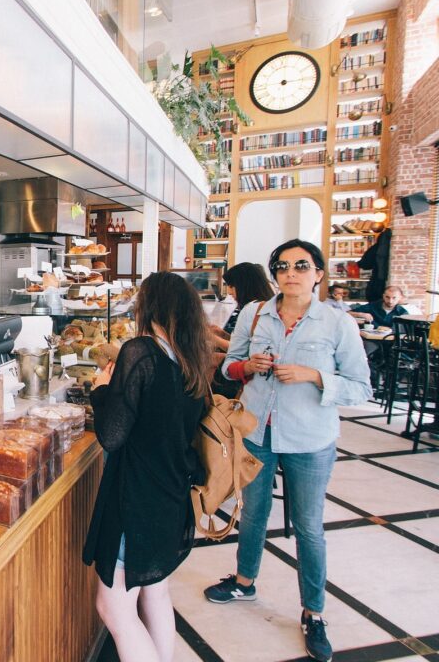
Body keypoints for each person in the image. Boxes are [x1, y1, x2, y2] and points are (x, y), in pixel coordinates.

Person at [204, 239, 371, 662]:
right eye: (281, 266)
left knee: (309, 526)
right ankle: (244, 581)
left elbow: (361, 388)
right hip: (258, 432)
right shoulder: (257, 313)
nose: (290, 272)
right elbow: (228, 366)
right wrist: (247, 367)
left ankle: (314, 612)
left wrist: (316, 376)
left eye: (301, 265)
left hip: (310, 440)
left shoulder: (337, 324)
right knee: (253, 512)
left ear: (318, 273)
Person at [83, 272, 208, 662]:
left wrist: (101, 391)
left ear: (148, 306)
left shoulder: (142, 352)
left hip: (138, 499)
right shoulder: (191, 360)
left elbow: (112, 435)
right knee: (156, 591)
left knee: (115, 610)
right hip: (171, 495)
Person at [209, 262, 274, 398]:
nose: (230, 292)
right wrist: (223, 334)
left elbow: (240, 351)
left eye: (231, 286)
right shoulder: (263, 305)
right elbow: (245, 342)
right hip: (249, 366)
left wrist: (214, 338)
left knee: (207, 359)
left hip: (249, 370)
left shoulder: (253, 310)